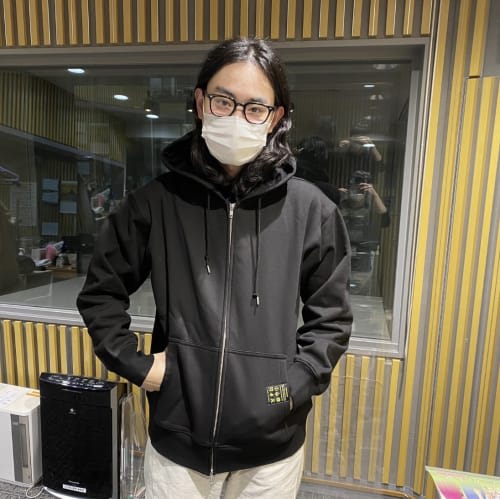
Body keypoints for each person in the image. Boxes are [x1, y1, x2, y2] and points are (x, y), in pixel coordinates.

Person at [77, 37, 352, 499]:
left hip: (270, 450)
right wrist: (139, 366)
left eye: (255, 108)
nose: (237, 117)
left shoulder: (312, 211)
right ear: (202, 102)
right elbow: (101, 293)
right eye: (224, 101)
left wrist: (292, 385)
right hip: (178, 442)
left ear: (275, 118)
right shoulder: (155, 203)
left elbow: (332, 319)